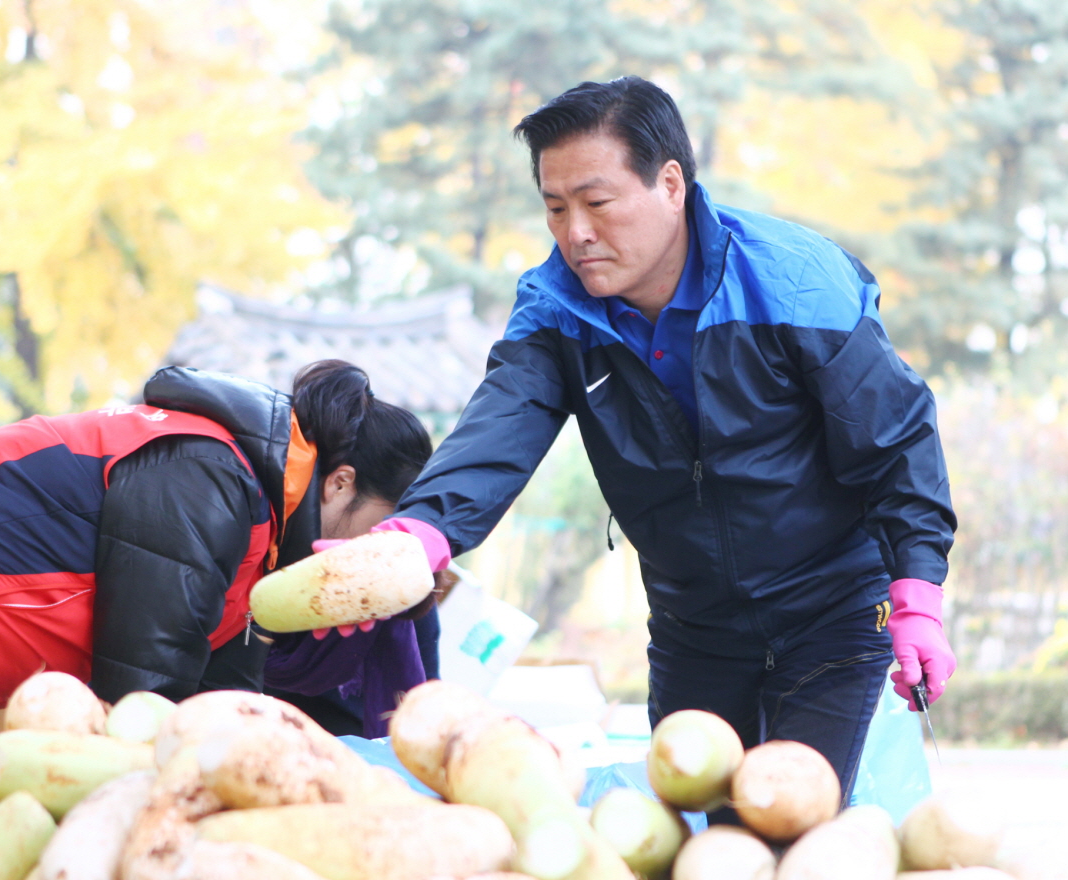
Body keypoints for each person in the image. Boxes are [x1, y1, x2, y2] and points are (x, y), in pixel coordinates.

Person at [384, 75, 958, 807]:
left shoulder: (793, 283)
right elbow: (501, 423)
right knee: (704, 836)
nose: (575, 233)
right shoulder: (554, 307)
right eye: (554, 208)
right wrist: (419, 533)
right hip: (693, 627)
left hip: (829, 613)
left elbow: (895, 437)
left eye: (596, 203)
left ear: (669, 183)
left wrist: (915, 591)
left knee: (791, 821)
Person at [0, 359, 436, 735]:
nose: (369, 556)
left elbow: (218, 689)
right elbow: (144, 687)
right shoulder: (211, 476)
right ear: (341, 483)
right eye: (380, 530)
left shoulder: (265, 531)